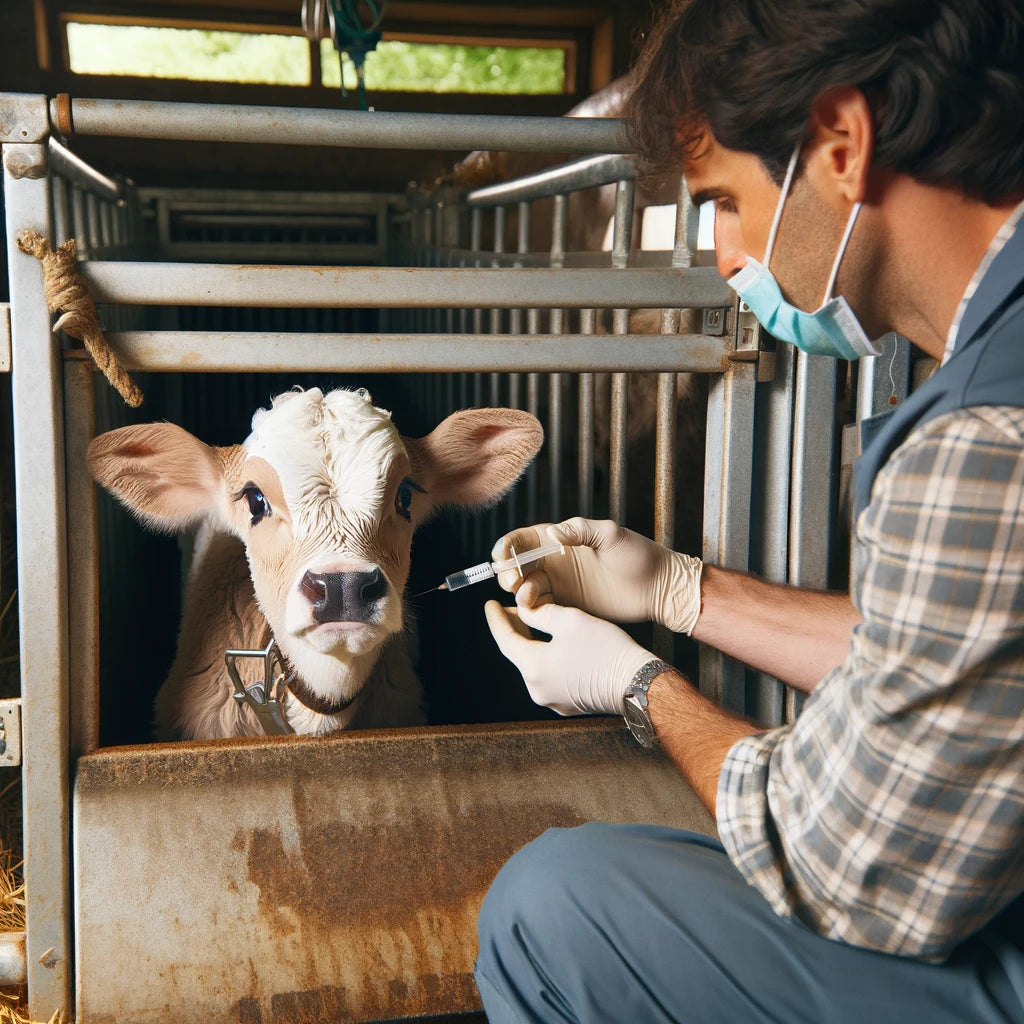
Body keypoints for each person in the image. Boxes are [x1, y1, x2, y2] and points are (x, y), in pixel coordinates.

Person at [473, 0, 1024, 1020]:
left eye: (723, 199)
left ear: (841, 146)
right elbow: (964, 657)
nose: (725, 256)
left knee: (554, 905)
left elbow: (853, 872)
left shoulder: (984, 435)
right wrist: (683, 588)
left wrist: (640, 688)